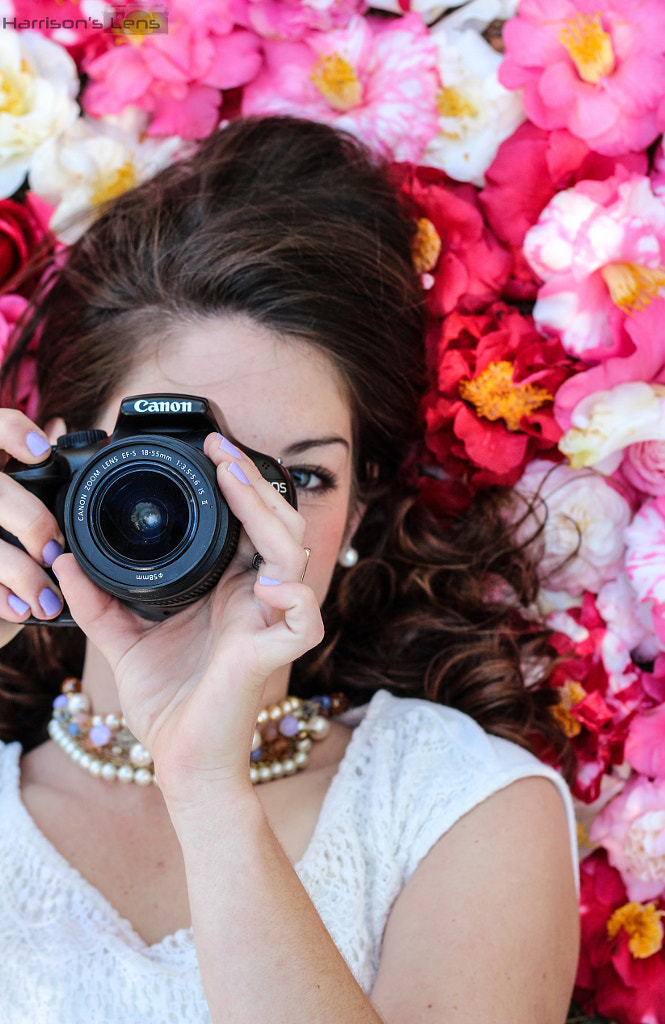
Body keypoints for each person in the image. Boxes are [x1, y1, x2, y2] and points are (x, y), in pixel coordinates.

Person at [0, 115, 579, 1023]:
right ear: (63, 464)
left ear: (353, 513)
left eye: (296, 478)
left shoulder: (460, 807)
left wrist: (208, 785)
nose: (238, 522)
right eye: (178, 464)